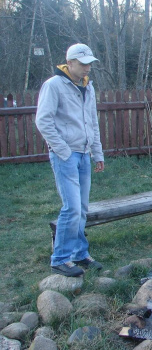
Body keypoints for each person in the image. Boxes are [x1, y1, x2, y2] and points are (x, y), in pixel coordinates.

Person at [36, 43, 104, 277]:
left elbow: (92, 122)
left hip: (85, 154)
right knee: (71, 208)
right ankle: (60, 258)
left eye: (90, 64)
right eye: (83, 64)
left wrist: (97, 152)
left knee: (82, 208)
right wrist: (62, 150)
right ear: (70, 63)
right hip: (65, 155)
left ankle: (79, 254)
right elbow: (43, 121)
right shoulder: (54, 85)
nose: (87, 68)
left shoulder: (88, 87)